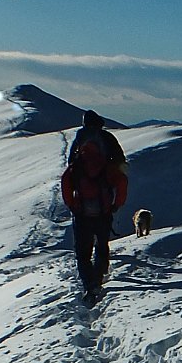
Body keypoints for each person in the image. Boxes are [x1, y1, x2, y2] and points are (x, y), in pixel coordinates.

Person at [60, 110, 129, 303]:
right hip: (104, 207)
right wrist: (116, 204)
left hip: (81, 209)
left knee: (82, 251)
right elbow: (121, 176)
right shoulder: (108, 141)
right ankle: (98, 279)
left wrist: (72, 204)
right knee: (101, 244)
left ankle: (89, 286)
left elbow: (67, 178)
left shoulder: (79, 143)